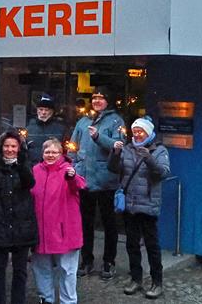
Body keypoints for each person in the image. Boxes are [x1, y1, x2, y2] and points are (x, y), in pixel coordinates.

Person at [109, 117, 170, 300]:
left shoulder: (159, 150)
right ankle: (135, 279)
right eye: (134, 131)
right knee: (131, 244)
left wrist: (149, 159)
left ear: (148, 132)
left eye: (140, 131)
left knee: (152, 245)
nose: (137, 134)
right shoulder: (127, 148)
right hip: (130, 204)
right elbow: (113, 168)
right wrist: (115, 153)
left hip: (149, 204)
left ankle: (157, 282)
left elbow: (164, 173)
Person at [68, 86, 125, 279]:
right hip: (85, 179)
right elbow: (72, 146)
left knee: (109, 224)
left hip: (106, 180)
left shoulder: (116, 121)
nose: (97, 101)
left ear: (108, 101)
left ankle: (109, 261)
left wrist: (98, 137)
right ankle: (87, 259)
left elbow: (119, 147)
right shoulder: (83, 121)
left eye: (101, 98)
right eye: (94, 98)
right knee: (85, 223)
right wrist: (73, 163)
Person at [0, 131, 37, 304]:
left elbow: (30, 183)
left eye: (13, 146)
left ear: (19, 148)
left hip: (21, 223)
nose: (10, 149)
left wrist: (20, 165)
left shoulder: (25, 165)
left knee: (20, 271)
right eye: (6, 146)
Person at [30, 138, 86, 304]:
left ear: (61, 154)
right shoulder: (35, 170)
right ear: (42, 154)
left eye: (54, 152)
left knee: (67, 270)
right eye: (47, 152)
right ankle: (46, 298)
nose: (50, 155)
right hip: (41, 229)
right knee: (41, 268)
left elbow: (80, 185)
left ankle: (68, 301)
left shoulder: (68, 170)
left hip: (65, 229)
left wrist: (73, 177)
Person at [25, 94, 67, 164]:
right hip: (32, 168)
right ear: (37, 110)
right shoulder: (29, 129)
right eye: (41, 109)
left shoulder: (60, 129)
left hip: (54, 169)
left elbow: (66, 151)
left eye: (46, 110)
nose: (43, 113)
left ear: (52, 112)